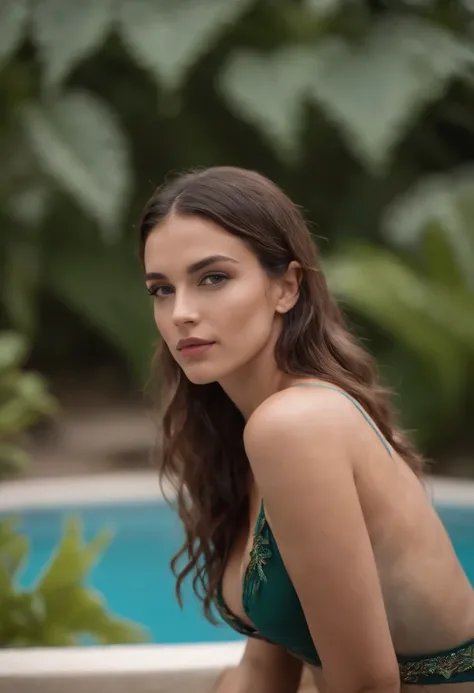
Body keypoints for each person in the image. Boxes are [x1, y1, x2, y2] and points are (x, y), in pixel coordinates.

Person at [138, 166, 474, 693]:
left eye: (213, 278)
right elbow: (262, 674)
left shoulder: (296, 426)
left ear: (286, 288)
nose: (181, 313)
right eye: (161, 289)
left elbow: (366, 684)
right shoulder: (253, 431)